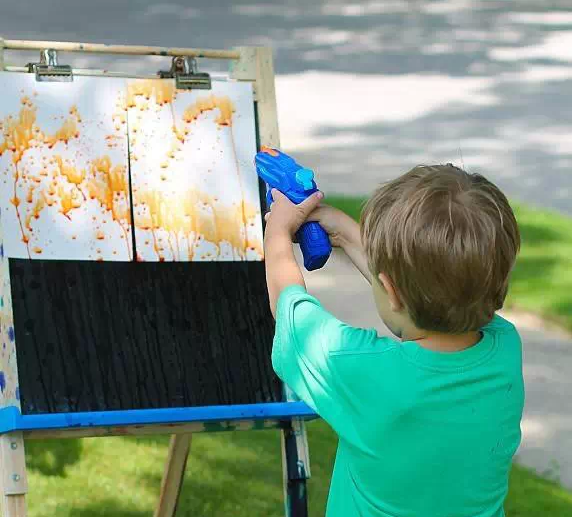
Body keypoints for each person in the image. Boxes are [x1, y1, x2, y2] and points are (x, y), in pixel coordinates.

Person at [263, 164, 524, 517]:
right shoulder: (504, 351)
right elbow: (443, 290)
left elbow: (290, 313)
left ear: (390, 291)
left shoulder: (367, 374)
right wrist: (343, 232)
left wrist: (278, 232)